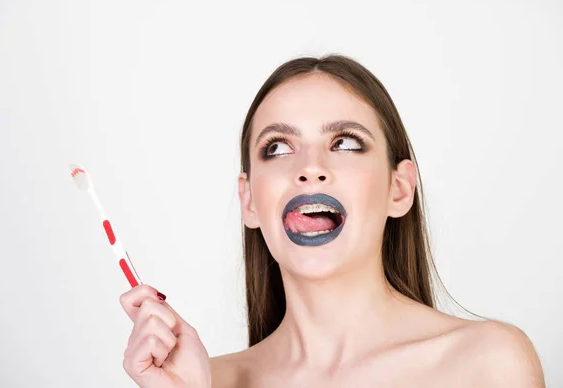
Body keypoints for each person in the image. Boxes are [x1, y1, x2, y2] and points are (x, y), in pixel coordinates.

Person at [118, 54, 545, 387]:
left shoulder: (488, 363)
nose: (309, 168)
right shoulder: (205, 381)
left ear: (400, 189)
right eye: (278, 148)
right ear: (249, 201)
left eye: (344, 142)